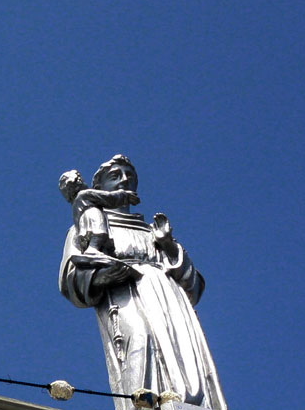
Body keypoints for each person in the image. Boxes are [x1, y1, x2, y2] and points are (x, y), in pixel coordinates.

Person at [58, 155, 225, 410]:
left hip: (169, 296)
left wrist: (168, 246)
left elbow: (194, 287)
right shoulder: (86, 225)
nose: (125, 180)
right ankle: (144, 405)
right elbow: (72, 279)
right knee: (139, 336)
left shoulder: (152, 233)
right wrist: (103, 277)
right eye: (116, 176)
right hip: (126, 292)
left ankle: (188, 403)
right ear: (99, 188)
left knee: (182, 351)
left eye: (130, 176)